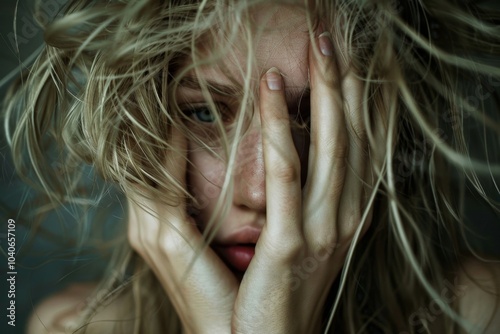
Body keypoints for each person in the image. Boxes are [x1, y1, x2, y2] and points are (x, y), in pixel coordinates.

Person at [3, 0, 500, 332]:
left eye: (310, 119)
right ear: (138, 121)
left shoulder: (480, 312)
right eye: (204, 113)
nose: (262, 193)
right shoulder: (78, 328)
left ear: (377, 124)